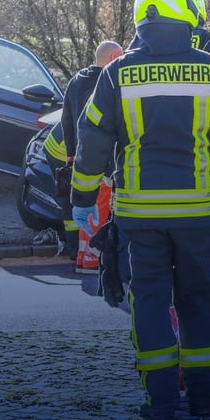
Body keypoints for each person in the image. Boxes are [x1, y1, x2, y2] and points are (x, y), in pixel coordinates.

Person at [70, 0, 210, 420]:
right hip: (196, 212)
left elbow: (92, 139)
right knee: (198, 299)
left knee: (149, 301)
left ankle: (162, 402)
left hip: (139, 214)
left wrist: (82, 197)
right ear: (188, 14)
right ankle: (207, 395)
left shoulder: (116, 73)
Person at [44, 41, 123, 268]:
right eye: (121, 57)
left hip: (78, 156)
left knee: (81, 208)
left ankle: (81, 255)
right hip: (99, 158)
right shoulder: (107, 82)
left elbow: (67, 120)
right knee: (99, 208)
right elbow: (107, 127)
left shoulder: (77, 80)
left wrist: (71, 157)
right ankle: (91, 260)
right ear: (112, 58)